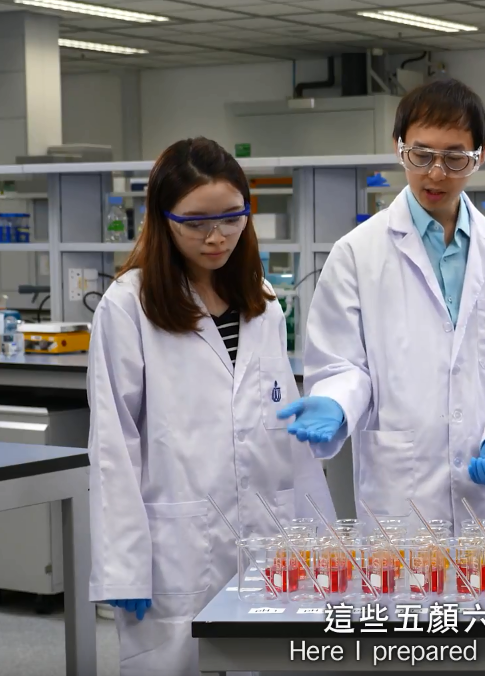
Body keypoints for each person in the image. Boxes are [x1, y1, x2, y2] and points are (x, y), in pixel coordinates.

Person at [86, 137, 334, 675]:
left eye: (231, 217)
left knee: (266, 659)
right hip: (176, 542)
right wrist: (123, 564)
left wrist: (318, 538)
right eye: (195, 222)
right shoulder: (128, 306)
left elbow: (273, 431)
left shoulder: (262, 301)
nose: (216, 235)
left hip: (266, 533)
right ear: (162, 219)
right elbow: (113, 444)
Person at [280, 78, 485, 530]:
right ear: (398, 147)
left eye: (454, 158)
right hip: (399, 499)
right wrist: (334, 401)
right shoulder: (357, 254)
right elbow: (342, 365)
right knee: (403, 599)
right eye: (421, 155)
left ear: (480, 155)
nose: (436, 173)